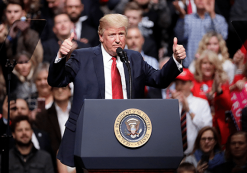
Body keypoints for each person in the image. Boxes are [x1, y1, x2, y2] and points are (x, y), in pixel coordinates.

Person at [47, 13, 186, 167]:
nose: (118, 39)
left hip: (127, 135)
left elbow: (159, 80)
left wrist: (175, 60)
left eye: (121, 34)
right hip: (90, 136)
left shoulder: (134, 58)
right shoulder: (82, 57)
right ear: (101, 36)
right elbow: (57, 80)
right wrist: (60, 56)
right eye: (112, 35)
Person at [191, 50, 232, 146]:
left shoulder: (223, 82)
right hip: (199, 126)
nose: (207, 66)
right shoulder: (194, 82)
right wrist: (207, 99)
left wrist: (219, 90)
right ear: (199, 65)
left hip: (219, 127)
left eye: (211, 63)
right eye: (204, 63)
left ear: (216, 66)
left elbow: (228, 106)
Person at [175, 0, 228, 68]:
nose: (200, 0)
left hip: (213, 67)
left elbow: (223, 37)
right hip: (191, 66)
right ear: (194, 1)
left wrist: (212, 14)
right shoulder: (187, 19)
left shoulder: (219, 19)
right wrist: (182, 16)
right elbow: (180, 37)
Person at [172, 68, 212, 155]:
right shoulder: (170, 104)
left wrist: (189, 110)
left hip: (196, 153)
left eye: (183, 83)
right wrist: (171, 105)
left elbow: (207, 128)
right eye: (177, 83)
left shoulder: (202, 103)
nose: (179, 86)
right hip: (173, 153)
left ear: (191, 85)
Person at [35, 85, 72, 171]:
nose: (60, 91)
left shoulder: (80, 111)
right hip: (53, 163)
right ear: (51, 91)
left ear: (70, 91)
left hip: (78, 161)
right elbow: (43, 144)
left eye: (63, 88)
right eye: (56, 88)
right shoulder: (43, 116)